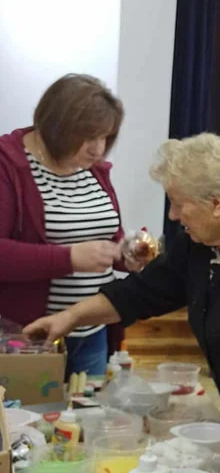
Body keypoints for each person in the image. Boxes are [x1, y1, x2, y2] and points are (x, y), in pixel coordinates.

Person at [25, 133, 220, 473]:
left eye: (177, 204)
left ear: (217, 204)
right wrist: (69, 317)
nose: (172, 215)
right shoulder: (198, 243)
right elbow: (140, 292)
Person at [0, 74, 130, 376]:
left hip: (91, 333)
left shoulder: (93, 170)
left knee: (85, 420)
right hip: (29, 336)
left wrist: (126, 255)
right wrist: (69, 258)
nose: (98, 149)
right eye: (89, 136)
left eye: (105, 137)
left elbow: (108, 236)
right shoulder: (8, 165)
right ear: (57, 125)